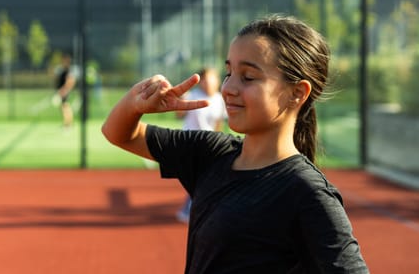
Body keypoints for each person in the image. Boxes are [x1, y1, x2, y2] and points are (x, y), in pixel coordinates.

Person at [102, 15, 369, 273]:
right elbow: (119, 133)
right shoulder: (210, 152)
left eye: (248, 77)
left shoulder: (308, 193)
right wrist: (136, 103)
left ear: (297, 93)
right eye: (228, 72)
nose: (228, 87)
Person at [175, 67, 227, 223]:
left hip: (209, 145)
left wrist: (219, 141)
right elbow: (178, 115)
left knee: (205, 179)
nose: (208, 83)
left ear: (217, 81)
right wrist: (180, 101)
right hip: (190, 143)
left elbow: (218, 123)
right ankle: (189, 210)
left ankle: (189, 209)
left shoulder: (220, 99)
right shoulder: (192, 96)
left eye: (211, 79)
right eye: (204, 80)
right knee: (200, 179)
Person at [53, 54, 76, 128]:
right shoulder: (63, 70)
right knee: (63, 107)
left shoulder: (68, 71)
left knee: (65, 107)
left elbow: (71, 81)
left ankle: (68, 124)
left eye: (64, 61)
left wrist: (64, 90)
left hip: (65, 92)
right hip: (62, 92)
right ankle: (67, 123)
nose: (63, 62)